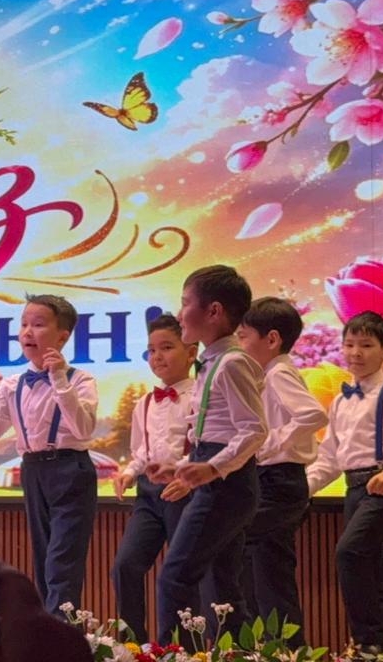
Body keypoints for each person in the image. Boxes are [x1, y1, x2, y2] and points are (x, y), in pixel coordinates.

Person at [153, 266, 266, 645]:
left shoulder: (232, 362)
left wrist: (213, 468)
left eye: (185, 303)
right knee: (222, 585)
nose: (179, 312)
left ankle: (175, 653)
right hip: (223, 479)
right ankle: (239, 651)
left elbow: (254, 430)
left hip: (228, 485)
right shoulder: (214, 362)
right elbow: (215, 434)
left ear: (214, 311)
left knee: (175, 577)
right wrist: (182, 466)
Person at [0, 294, 99, 614]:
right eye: (24, 324)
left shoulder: (81, 380)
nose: (27, 332)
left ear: (62, 337)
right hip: (32, 469)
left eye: (39, 324)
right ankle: (51, 628)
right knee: (44, 559)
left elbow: (83, 429)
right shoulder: (12, 384)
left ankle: (61, 630)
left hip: (71, 469)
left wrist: (58, 379)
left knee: (62, 560)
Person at [235, 297, 328, 647]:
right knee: (272, 573)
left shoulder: (278, 372)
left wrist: (269, 444)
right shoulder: (271, 373)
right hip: (276, 481)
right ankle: (282, 648)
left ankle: (262, 645)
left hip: (279, 481)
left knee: (235, 546)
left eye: (244, 337)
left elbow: (314, 414)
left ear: (271, 339)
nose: (239, 345)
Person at [306, 311, 383, 651]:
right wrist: (303, 488)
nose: (356, 352)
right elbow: (329, 457)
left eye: (366, 345)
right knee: (379, 571)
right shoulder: (341, 402)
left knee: (350, 553)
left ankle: (368, 645)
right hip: (354, 490)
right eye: (349, 344)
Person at [110, 313, 195, 641]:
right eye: (152, 350)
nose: (157, 356)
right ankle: (133, 645)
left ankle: (181, 648)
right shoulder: (145, 402)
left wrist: (185, 472)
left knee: (178, 574)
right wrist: (129, 473)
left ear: (191, 352)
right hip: (148, 495)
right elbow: (141, 453)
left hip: (185, 492)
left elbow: (206, 449)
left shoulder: (200, 396)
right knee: (125, 566)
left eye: (167, 347)